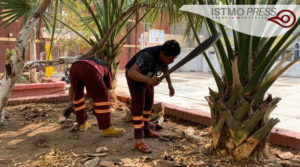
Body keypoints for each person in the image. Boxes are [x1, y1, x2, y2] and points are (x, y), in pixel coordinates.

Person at [125, 40, 181, 153]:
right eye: (170, 59)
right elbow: (131, 72)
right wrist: (148, 80)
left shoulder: (165, 54)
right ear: (162, 54)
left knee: (148, 105)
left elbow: (165, 68)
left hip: (148, 77)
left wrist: (170, 85)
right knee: (139, 108)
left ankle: (146, 130)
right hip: (135, 78)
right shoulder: (147, 56)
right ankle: (139, 139)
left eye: (173, 59)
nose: (171, 62)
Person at [69, 56, 125, 136]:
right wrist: (98, 106)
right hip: (90, 69)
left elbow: (72, 88)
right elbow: (107, 89)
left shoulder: (89, 61)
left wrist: (70, 103)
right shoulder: (105, 69)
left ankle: (82, 123)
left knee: (78, 95)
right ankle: (107, 128)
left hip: (74, 67)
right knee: (103, 97)